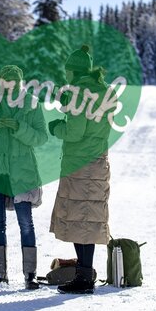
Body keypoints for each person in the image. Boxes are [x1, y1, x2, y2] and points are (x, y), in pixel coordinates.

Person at [0, 65, 48, 290]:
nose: (9, 84)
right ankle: (0, 273)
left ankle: (30, 275)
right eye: (5, 80)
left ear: (20, 82)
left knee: (26, 224)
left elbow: (41, 138)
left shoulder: (31, 103)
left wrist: (19, 127)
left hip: (22, 174)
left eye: (13, 80)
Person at [48, 45, 112, 294]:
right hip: (98, 162)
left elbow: (75, 131)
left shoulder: (78, 93)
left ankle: (84, 278)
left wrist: (56, 128)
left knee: (80, 220)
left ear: (73, 71)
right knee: (88, 219)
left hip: (80, 164)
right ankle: (85, 272)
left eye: (67, 72)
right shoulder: (101, 91)